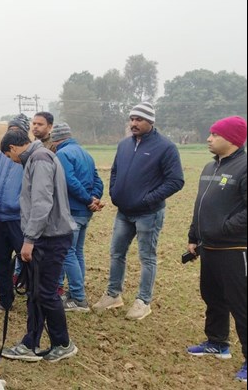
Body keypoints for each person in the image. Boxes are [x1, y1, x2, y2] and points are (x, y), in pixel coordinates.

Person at [93, 102, 184, 320]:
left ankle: (143, 301)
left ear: (150, 121)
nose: (134, 123)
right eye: (132, 119)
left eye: (139, 119)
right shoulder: (124, 145)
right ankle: (113, 294)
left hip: (148, 213)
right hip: (123, 212)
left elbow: (176, 180)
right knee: (116, 252)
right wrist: (115, 192)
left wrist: (148, 199)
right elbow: (115, 171)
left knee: (147, 257)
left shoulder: (166, 147)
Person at [0, 130, 78, 363]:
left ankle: (62, 343)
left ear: (13, 148)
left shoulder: (40, 159)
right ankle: (30, 343)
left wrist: (29, 239)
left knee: (45, 292)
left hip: (50, 237)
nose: (12, 161)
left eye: (9, 156)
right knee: (36, 292)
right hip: (46, 236)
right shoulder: (38, 157)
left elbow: (42, 202)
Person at [185, 116, 247, 383]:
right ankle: (217, 342)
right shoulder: (210, 166)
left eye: (214, 134)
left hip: (234, 247)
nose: (208, 138)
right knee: (212, 297)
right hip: (208, 246)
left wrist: (224, 228)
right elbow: (201, 205)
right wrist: (193, 235)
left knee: (241, 304)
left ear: (232, 139)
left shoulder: (244, 167)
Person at [51, 123, 104, 312]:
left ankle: (79, 299)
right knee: (77, 252)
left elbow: (69, 181)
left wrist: (88, 199)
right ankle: (75, 293)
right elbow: (98, 179)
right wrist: (95, 199)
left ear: (56, 139)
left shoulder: (62, 155)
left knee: (67, 253)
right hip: (85, 212)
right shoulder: (84, 153)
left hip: (72, 210)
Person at [0, 114, 31, 312]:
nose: (12, 133)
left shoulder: (28, 158)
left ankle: (34, 300)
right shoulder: (0, 156)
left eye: (17, 130)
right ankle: (5, 301)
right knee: (0, 261)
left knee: (27, 260)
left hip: (18, 219)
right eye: (10, 129)